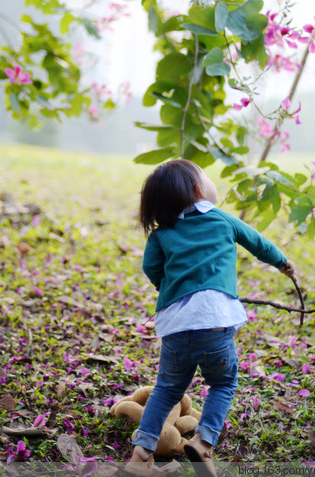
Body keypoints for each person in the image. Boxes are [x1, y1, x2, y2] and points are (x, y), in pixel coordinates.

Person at [125, 159, 295, 476]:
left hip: (175, 329)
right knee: (223, 383)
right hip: (215, 326)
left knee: (165, 390)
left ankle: (140, 454)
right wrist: (283, 263)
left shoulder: (162, 234)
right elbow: (258, 243)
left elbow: (151, 268)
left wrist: (166, 285)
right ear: (198, 189)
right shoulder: (222, 220)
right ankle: (203, 442)